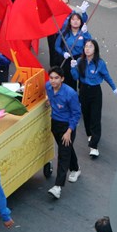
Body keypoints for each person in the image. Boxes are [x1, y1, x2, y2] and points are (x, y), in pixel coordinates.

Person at [70, 39, 117, 158]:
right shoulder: (80, 61)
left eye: (90, 46)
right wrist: (73, 68)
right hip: (83, 90)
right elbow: (75, 77)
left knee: (95, 117)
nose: (87, 49)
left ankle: (94, 146)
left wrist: (113, 87)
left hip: (95, 91)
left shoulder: (100, 63)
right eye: (86, 46)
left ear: (95, 49)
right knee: (86, 115)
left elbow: (106, 76)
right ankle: (90, 134)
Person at [45, 68, 81, 200]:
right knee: (66, 148)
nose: (53, 81)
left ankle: (58, 187)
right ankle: (76, 169)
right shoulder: (48, 87)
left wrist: (69, 131)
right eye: (51, 78)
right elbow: (48, 94)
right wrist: (49, 100)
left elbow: (76, 114)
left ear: (62, 79)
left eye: (56, 78)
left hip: (67, 127)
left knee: (63, 155)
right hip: (55, 124)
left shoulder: (70, 94)